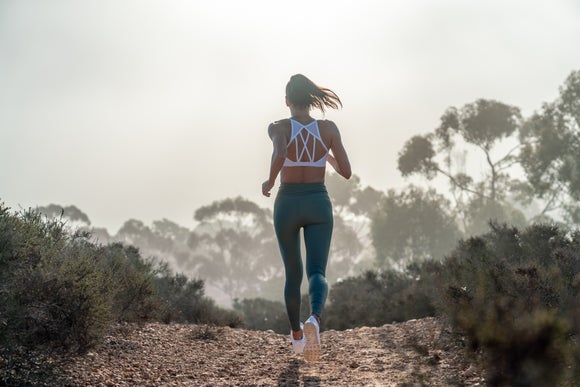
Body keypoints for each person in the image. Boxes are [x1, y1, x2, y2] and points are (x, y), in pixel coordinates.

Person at [262, 74, 351, 362]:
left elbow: (278, 154)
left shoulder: (278, 127)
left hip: (288, 202)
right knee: (317, 272)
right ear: (311, 100)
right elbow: (346, 171)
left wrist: (270, 180)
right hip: (318, 202)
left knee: (293, 273)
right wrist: (325, 156)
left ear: (287, 101)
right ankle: (314, 318)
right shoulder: (328, 129)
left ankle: (297, 336)